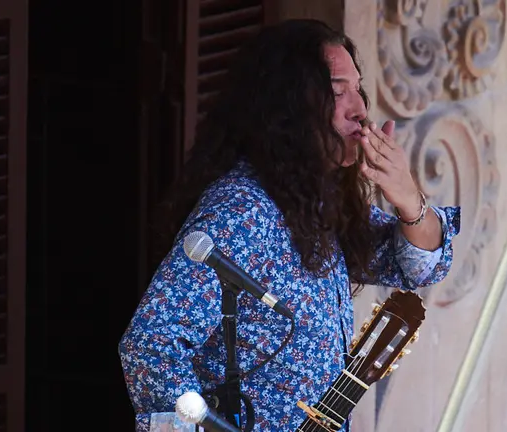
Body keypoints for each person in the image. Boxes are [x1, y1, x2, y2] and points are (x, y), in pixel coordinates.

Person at [119, 19, 460, 432]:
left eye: (359, 89)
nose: (360, 109)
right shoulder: (243, 211)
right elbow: (150, 344)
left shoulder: (317, 204)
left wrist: (407, 197)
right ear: (290, 107)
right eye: (337, 92)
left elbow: (420, 267)